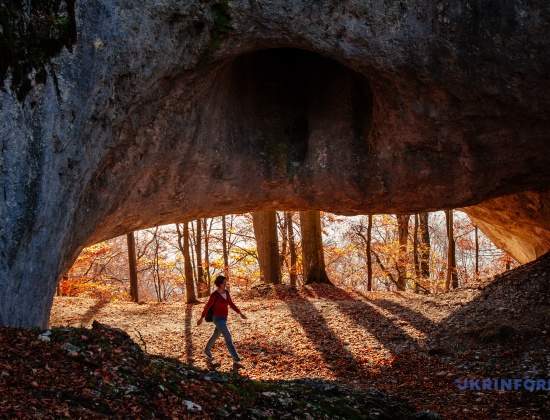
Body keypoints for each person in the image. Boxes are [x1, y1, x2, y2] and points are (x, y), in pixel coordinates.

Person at [197, 275, 247, 368]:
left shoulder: (226, 293)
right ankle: (236, 360)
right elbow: (207, 307)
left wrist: (240, 313)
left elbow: (231, 304)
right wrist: (201, 318)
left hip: (224, 318)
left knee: (216, 335)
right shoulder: (214, 295)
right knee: (228, 336)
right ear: (219, 284)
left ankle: (207, 350)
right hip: (217, 318)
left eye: (226, 282)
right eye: (224, 283)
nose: (226, 284)